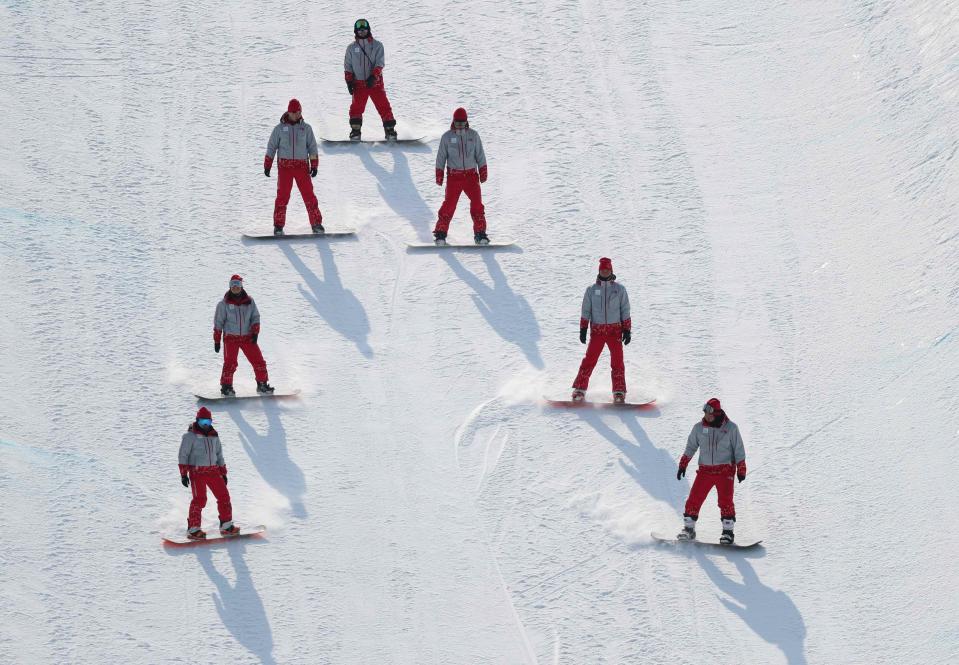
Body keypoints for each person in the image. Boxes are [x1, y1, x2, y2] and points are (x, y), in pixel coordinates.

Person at [675, 398, 747, 544]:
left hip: (725, 470)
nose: (706, 416)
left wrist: (741, 468)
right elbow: (691, 447)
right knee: (694, 498)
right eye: (705, 412)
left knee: (725, 501)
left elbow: (739, 449)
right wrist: (683, 463)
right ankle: (689, 529)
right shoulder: (699, 428)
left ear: (717, 413)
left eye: (709, 413)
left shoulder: (731, 428)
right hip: (705, 471)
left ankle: (728, 532)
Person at [571, 257, 631, 402]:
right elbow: (586, 310)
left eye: (607, 269)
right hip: (597, 332)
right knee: (589, 360)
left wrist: (627, 329)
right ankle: (579, 390)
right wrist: (583, 328)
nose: (605, 272)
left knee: (617, 361)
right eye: (602, 270)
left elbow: (625, 309)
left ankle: (619, 392)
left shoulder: (619, 289)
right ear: (599, 271)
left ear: (611, 270)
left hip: (614, 331)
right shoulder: (591, 290)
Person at [178, 407, 240, 540]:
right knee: (200, 499)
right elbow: (183, 455)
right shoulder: (190, 436)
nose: (205, 425)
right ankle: (193, 529)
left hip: (213, 471)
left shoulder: (214, 436)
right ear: (197, 421)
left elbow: (219, 454)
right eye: (202, 421)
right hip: (197, 471)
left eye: (208, 421)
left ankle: (226, 525)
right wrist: (183, 473)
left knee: (224, 496)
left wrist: (223, 472)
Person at [264, 98, 322, 235]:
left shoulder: (306, 129)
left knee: (309, 196)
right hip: (285, 167)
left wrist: (314, 164)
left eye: (297, 112)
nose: (295, 115)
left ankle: (317, 224)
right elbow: (271, 147)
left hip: (302, 167)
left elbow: (312, 147)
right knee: (282, 196)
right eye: (292, 112)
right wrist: (268, 164)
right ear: (288, 112)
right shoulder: (279, 129)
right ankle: (278, 226)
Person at [433, 107, 489, 245]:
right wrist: (439, 173)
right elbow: (441, 156)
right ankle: (440, 234)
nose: (459, 125)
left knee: (477, 205)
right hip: (454, 178)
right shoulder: (447, 137)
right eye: (457, 122)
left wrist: (483, 169)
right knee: (449, 205)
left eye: (462, 122)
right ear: (453, 121)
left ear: (466, 121)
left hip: (471, 177)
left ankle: (480, 234)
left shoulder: (473, 136)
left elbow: (480, 154)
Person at [213, 275, 275, 395]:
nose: (235, 287)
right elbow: (218, 322)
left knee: (259, 361)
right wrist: (217, 340)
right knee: (230, 363)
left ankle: (262, 385)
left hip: (247, 337)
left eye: (237, 284)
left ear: (241, 286)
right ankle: (226, 387)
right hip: (230, 338)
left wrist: (255, 332)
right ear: (230, 287)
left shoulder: (250, 302)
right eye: (232, 285)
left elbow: (255, 317)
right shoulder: (223, 304)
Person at [344, 18, 397, 141]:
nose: (362, 32)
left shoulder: (377, 45)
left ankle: (390, 131)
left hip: (375, 83)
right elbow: (348, 66)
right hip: (359, 84)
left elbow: (380, 63)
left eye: (364, 29)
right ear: (356, 32)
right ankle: (355, 131)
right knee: (356, 108)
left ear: (368, 30)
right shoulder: (351, 48)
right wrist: (349, 80)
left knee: (383, 106)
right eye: (359, 30)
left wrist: (374, 76)